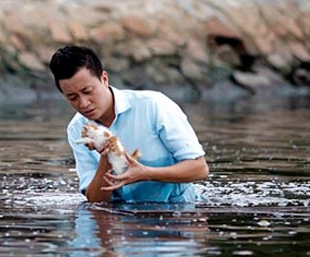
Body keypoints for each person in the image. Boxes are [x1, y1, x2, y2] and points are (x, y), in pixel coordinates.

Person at [49, 45, 208, 203]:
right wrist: (106, 157)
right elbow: (96, 199)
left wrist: (146, 173)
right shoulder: (77, 128)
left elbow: (199, 168)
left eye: (88, 91)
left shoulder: (153, 106)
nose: (83, 103)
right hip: (124, 219)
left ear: (104, 79)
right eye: (72, 97)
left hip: (179, 212)